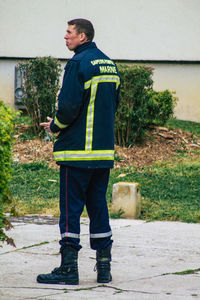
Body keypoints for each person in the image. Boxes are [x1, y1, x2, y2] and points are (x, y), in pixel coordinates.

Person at [38, 18, 120, 285]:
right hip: (102, 153)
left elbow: (69, 106)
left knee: (70, 210)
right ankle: (104, 268)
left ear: (83, 37)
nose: (65, 37)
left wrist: (55, 125)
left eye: (69, 33)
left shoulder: (77, 64)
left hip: (76, 152)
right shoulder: (110, 64)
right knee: (98, 206)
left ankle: (68, 268)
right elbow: (112, 105)